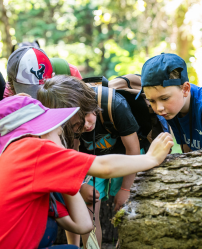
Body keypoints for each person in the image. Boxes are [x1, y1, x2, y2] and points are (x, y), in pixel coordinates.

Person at [0, 95, 173, 249]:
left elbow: (83, 225)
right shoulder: (32, 149)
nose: (61, 135)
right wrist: (150, 158)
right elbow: (104, 166)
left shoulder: (14, 161)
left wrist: (66, 172)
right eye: (57, 131)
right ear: (39, 132)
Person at [37, 75, 142, 247]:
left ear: (90, 103)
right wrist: (82, 185)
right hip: (91, 158)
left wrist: (125, 188)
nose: (86, 125)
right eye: (77, 125)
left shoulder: (114, 104)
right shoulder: (64, 122)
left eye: (86, 116)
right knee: (89, 209)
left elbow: (133, 149)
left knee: (126, 206)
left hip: (125, 156)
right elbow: (71, 154)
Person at [4, 46, 82, 99]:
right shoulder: (10, 90)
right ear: (12, 84)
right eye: (29, 89)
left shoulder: (70, 72)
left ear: (53, 76)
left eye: (43, 86)